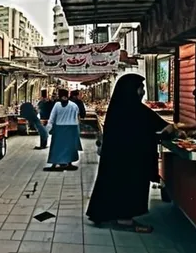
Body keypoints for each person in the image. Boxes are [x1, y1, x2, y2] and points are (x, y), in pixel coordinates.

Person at [86, 74, 178, 233]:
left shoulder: (117, 108)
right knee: (130, 187)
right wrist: (168, 132)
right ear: (132, 90)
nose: (143, 91)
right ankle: (125, 220)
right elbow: (158, 127)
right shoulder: (136, 109)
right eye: (140, 88)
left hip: (115, 158)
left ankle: (107, 214)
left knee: (113, 184)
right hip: (132, 159)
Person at [44, 89, 81, 171]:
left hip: (59, 128)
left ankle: (54, 164)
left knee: (56, 146)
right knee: (70, 146)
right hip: (71, 128)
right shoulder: (73, 105)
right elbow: (77, 117)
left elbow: (52, 117)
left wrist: (48, 128)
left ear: (59, 96)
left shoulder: (57, 105)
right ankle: (69, 163)